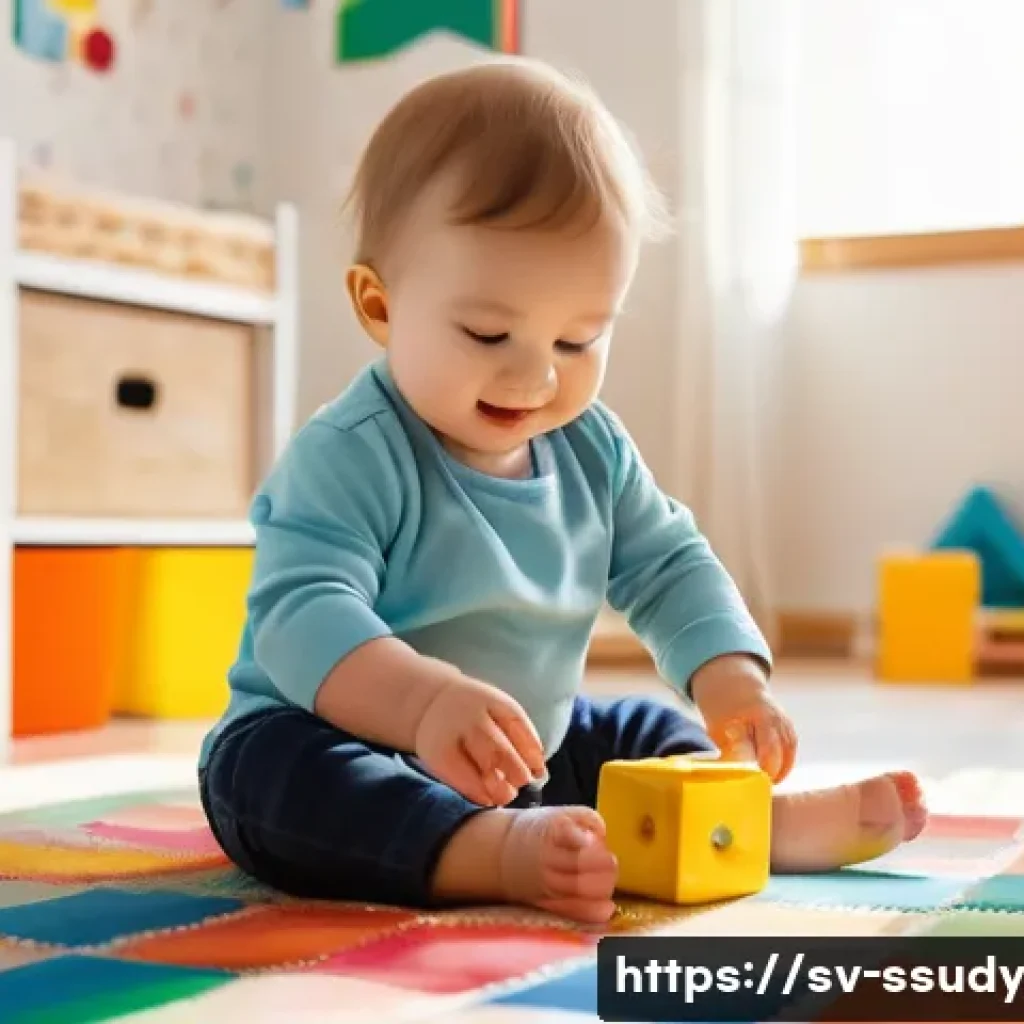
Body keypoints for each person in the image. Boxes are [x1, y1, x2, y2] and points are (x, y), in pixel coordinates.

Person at [198, 58, 927, 924]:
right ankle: (488, 853)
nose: (536, 375)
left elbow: (669, 565)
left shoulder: (591, 451)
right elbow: (301, 616)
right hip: (336, 735)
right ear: (380, 306)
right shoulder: (350, 454)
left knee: (635, 735)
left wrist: (731, 681)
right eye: (488, 332)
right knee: (279, 782)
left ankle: (745, 824)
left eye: (578, 340)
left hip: (525, 750)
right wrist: (425, 706)